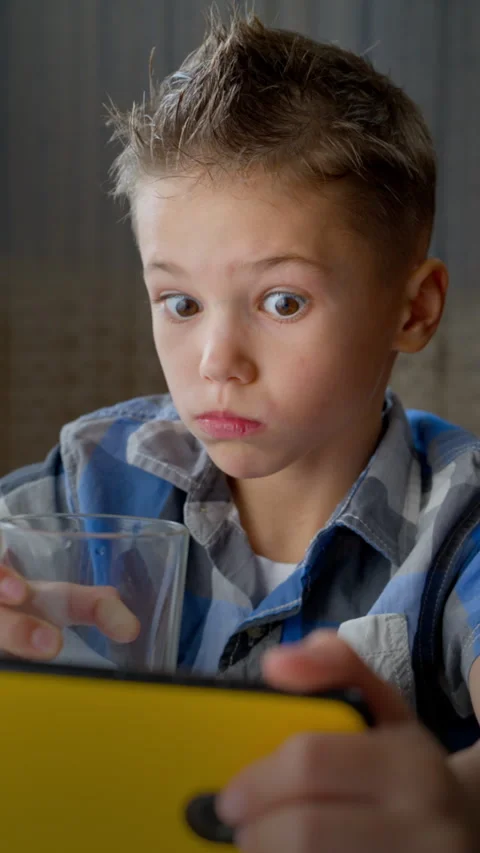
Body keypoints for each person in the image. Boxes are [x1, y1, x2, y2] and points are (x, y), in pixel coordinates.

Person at [1, 9, 480, 851]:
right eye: (180, 302)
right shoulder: (93, 476)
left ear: (414, 308)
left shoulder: (461, 523)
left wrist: (458, 801)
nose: (218, 361)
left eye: (282, 301)